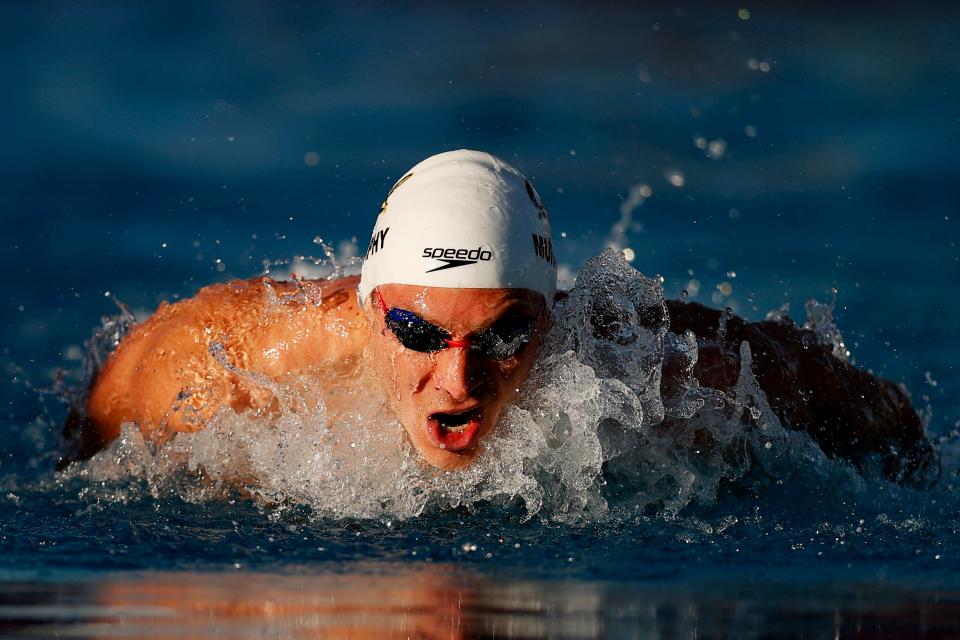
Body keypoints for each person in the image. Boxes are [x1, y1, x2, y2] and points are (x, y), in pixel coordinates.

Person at [61, 150, 933, 482]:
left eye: (506, 334)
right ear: (372, 310)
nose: (459, 379)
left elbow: (879, 415)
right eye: (417, 332)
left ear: (551, 319)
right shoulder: (240, 362)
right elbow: (94, 428)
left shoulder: (644, 367)